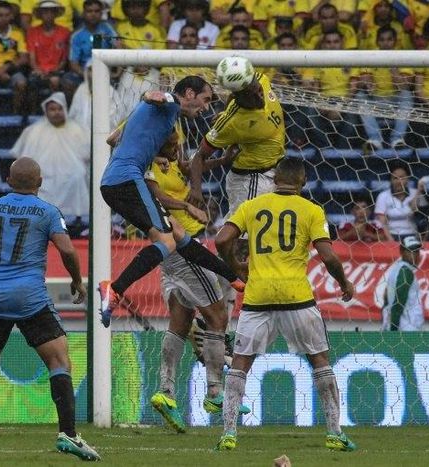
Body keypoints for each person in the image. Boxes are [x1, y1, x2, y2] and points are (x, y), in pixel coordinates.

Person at [0, 157, 100, 461]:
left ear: (8, 180)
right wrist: (76, 281)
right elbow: (68, 250)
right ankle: (68, 434)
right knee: (59, 361)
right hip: (30, 298)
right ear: (40, 182)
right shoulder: (47, 212)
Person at [106, 123, 247, 432]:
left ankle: (166, 391)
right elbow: (156, 199)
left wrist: (222, 162)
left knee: (179, 323)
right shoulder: (146, 169)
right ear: (155, 144)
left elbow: (188, 164)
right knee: (218, 314)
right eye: (170, 146)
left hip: (170, 248)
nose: (176, 151)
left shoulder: (166, 161)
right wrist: (185, 205)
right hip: (183, 247)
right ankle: (214, 391)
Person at [214, 157, 356, 452]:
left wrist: (237, 266)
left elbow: (221, 239)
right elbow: (328, 256)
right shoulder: (311, 210)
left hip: (257, 296)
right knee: (320, 360)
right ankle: (334, 432)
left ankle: (228, 433)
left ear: (275, 178)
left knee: (240, 364)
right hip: (297, 297)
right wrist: (344, 283)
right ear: (302, 181)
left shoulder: (251, 207)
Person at [98, 75, 245, 328]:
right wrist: (155, 96)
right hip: (126, 180)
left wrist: (154, 157)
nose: (206, 107)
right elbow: (156, 97)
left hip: (113, 183)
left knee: (178, 235)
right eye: (205, 99)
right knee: (165, 242)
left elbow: (112, 139)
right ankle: (115, 289)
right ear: (189, 93)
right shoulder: (170, 105)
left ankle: (234, 279)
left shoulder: (150, 116)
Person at [188, 57, 285, 219]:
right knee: (244, 239)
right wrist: (196, 191)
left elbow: (239, 95)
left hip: (275, 170)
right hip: (252, 178)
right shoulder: (232, 124)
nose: (259, 93)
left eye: (257, 86)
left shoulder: (263, 80)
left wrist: (226, 111)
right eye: (252, 92)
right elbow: (199, 156)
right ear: (240, 95)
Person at [11, 92, 89, 217]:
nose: (56, 112)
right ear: (46, 111)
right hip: (43, 174)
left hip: (71, 173)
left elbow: (87, 155)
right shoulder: (34, 131)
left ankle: (77, 217)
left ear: (65, 109)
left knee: (78, 175)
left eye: (59, 109)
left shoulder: (78, 129)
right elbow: (24, 158)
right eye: (52, 109)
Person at [26, 0, 71, 113]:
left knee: (56, 81)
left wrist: (55, 71)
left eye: (51, 12)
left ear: (56, 14)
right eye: (45, 12)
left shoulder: (65, 32)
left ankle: (58, 112)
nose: (48, 14)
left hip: (57, 71)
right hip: (38, 71)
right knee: (32, 81)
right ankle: (32, 112)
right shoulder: (32, 32)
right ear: (40, 14)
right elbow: (32, 58)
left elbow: (64, 60)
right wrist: (38, 70)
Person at [380, 235, 425, 331]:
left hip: (401, 327)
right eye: (411, 251)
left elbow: (386, 297)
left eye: (417, 251)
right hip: (406, 329)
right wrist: (393, 330)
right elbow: (398, 303)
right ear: (402, 252)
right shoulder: (406, 272)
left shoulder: (396, 269)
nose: (416, 255)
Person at [374, 160, 418, 242]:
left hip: (413, 236)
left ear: (408, 178)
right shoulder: (383, 196)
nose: (399, 181)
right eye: (395, 178)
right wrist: (390, 240)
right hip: (391, 235)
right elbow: (382, 222)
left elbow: (422, 217)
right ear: (390, 180)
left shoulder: (415, 194)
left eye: (402, 177)